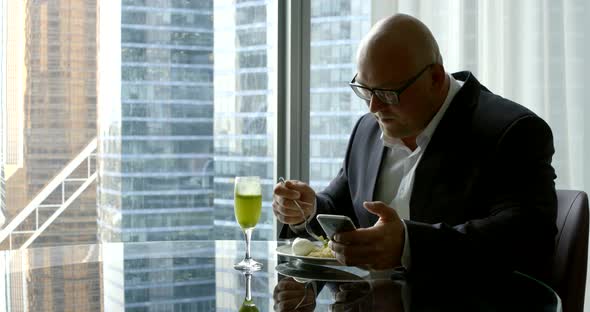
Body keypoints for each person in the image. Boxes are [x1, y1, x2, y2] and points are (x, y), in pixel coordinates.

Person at [272, 13, 557, 284]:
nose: (374, 107)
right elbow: (341, 206)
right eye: (364, 90)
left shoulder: (513, 131)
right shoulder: (367, 130)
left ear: (435, 77)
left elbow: (527, 234)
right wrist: (307, 210)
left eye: (387, 93)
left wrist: (409, 245)